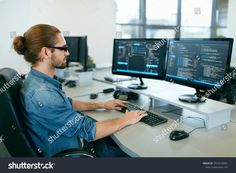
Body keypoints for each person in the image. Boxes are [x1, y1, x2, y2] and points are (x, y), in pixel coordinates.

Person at [13, 24, 146, 157]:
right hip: (74, 154)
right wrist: (126, 119)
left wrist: (101, 105)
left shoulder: (37, 80)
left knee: (115, 140)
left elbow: (67, 103)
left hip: (73, 143)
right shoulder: (43, 94)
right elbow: (90, 131)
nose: (68, 53)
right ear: (46, 52)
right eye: (63, 49)